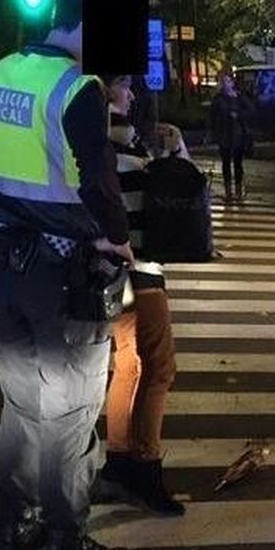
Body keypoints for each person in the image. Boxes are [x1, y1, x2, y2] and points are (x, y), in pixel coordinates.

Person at [0, 0, 134, 550]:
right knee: (70, 409)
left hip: (1, 263)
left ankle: (16, 524)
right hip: (62, 275)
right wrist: (116, 238)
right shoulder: (76, 88)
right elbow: (98, 182)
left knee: (20, 401)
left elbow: (8, 172)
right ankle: (67, 544)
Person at [97, 75, 183, 516]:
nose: (131, 94)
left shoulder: (89, 144)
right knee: (159, 367)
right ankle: (146, 467)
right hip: (142, 272)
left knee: (128, 364)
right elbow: (181, 192)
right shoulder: (126, 148)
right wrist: (176, 149)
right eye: (125, 85)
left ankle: (117, 461)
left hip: (109, 276)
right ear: (108, 88)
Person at [209, 71, 253, 201]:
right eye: (223, 81)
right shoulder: (219, 99)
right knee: (226, 163)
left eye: (227, 81)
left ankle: (238, 191)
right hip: (225, 135)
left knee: (238, 164)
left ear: (232, 82)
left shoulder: (239, 97)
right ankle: (228, 191)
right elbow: (213, 116)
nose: (225, 84)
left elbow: (251, 110)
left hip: (238, 135)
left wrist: (238, 115)